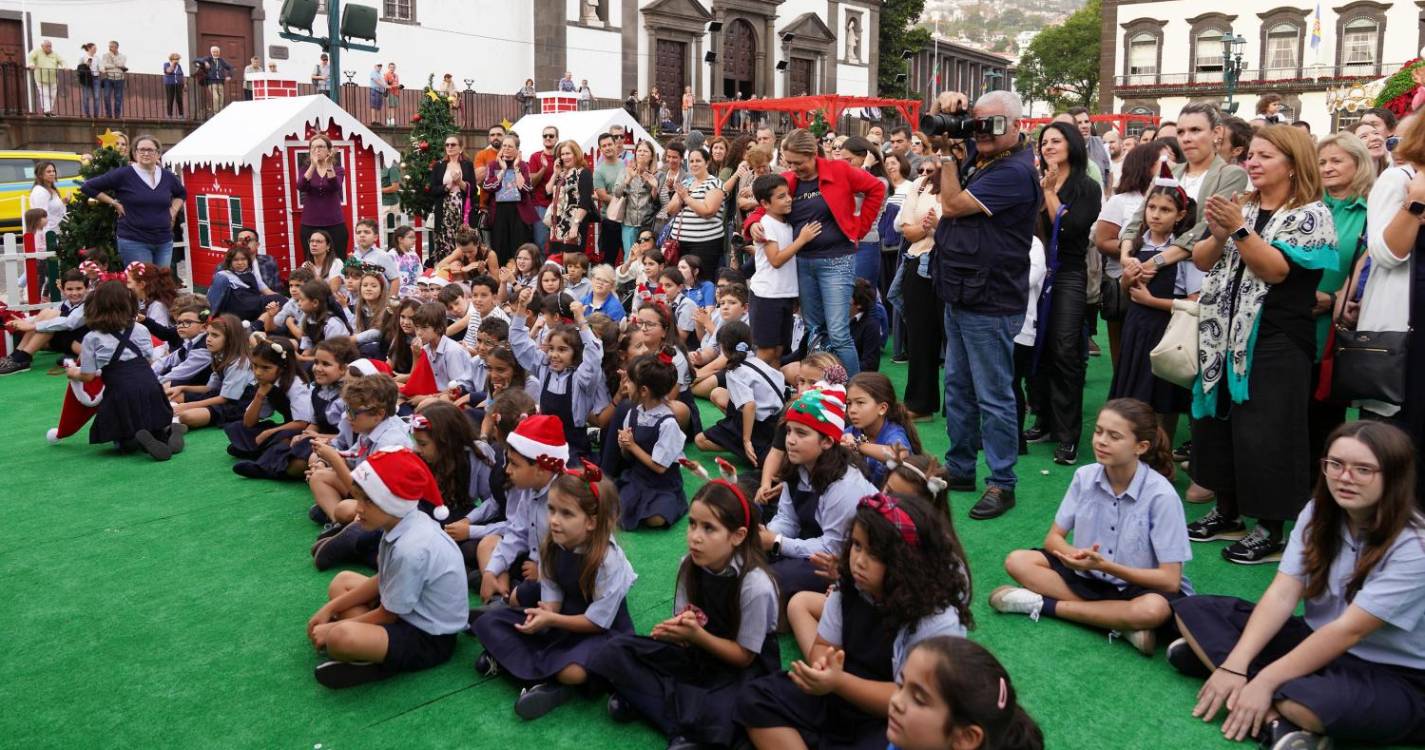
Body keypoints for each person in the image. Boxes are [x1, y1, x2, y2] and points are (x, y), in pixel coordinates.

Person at [1170, 421, 1425, 749]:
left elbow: (1349, 631)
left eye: (1363, 469)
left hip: (1395, 673)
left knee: (1311, 705)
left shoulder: (1415, 546)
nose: (1344, 478)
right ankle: (1273, 717)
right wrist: (1235, 666)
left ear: (1394, 475)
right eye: (1336, 464)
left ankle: (1264, 695)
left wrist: (1265, 679)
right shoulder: (1319, 511)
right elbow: (1282, 592)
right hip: (1315, 640)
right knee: (1194, 609)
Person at [1189, 124, 1338, 565]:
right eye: (1250, 155)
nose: (1251, 163)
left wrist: (1237, 230)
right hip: (1223, 336)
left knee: (1268, 433)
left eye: (1264, 156)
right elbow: (1202, 261)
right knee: (1219, 423)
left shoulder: (1312, 214)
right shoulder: (1243, 207)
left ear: (1293, 165)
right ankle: (1228, 510)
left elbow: (1275, 271)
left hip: (1275, 340)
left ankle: (1270, 528)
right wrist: (1219, 232)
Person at [738, 493, 972, 749]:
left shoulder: (936, 618)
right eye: (857, 546)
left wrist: (839, 682)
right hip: (836, 694)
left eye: (874, 554)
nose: (858, 561)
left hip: (889, 717)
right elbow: (822, 645)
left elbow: (907, 699)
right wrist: (823, 670)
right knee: (755, 698)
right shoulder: (850, 588)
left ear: (906, 561)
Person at [992, 399, 1191, 656]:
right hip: (1088, 575)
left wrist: (1106, 566)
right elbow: (1054, 538)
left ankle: (1045, 606)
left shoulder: (1161, 496)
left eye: (1114, 436)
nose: (1101, 441)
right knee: (1017, 561)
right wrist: (1076, 556)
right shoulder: (1084, 476)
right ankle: (1117, 621)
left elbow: (1170, 581)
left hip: (1138, 589)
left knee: (1152, 610)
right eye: (1098, 431)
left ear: (1140, 447)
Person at [590, 480, 779, 748]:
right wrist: (674, 632)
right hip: (699, 654)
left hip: (741, 671)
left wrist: (697, 636)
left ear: (737, 536)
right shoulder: (688, 565)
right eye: (692, 524)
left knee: (737, 708)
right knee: (615, 650)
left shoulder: (755, 585)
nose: (695, 536)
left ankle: (653, 708)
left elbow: (744, 657)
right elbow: (687, 623)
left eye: (709, 528)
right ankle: (686, 727)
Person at [929, 89, 1041, 521]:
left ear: (1017, 126)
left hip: (990, 297)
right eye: (978, 124)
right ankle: (960, 469)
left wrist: (946, 156)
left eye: (994, 125)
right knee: (956, 388)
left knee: (993, 395)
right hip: (960, 289)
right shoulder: (986, 154)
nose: (984, 133)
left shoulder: (1014, 170)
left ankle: (1002, 482)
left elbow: (953, 203)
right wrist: (950, 120)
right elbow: (941, 121)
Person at [474, 458, 633, 720]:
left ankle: (548, 679)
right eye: (552, 510)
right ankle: (543, 673)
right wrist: (542, 615)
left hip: (599, 630)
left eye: (566, 513)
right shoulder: (553, 543)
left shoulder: (608, 560)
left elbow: (597, 622)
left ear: (591, 522)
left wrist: (551, 619)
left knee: (574, 671)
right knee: (491, 623)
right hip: (561, 621)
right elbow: (552, 597)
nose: (555, 520)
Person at [306, 447, 466, 689]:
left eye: (368, 501)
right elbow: (383, 578)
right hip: (409, 611)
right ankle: (373, 649)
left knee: (340, 638)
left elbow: (388, 614)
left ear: (393, 501)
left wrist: (332, 628)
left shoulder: (411, 548)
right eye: (358, 498)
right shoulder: (400, 522)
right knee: (342, 581)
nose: (358, 509)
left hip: (430, 638)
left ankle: (376, 662)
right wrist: (331, 608)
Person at [745, 130, 884, 378]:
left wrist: (859, 228)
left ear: (813, 155)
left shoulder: (839, 171)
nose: (794, 168)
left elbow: (876, 189)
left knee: (839, 332)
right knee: (814, 328)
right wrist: (752, 224)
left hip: (837, 260)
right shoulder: (788, 180)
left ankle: (853, 392)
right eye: (789, 162)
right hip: (804, 261)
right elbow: (766, 205)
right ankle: (819, 387)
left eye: (798, 162)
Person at [1025, 122, 1101, 466]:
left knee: (1065, 348)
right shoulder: (1033, 181)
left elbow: (1070, 230)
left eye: (1056, 141)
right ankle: (1043, 419)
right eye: (1044, 142)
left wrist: (1051, 193)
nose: (1049, 146)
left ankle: (1068, 435)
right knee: (1034, 347)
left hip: (1068, 274)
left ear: (1072, 145)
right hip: (1035, 273)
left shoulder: (1086, 186)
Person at [759, 386, 877, 601]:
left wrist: (776, 542)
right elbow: (787, 518)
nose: (790, 440)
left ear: (827, 441)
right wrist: (764, 537)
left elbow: (832, 548)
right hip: (812, 545)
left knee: (767, 579)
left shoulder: (845, 484)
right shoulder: (799, 466)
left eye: (801, 433)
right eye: (789, 431)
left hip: (843, 562)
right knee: (747, 560)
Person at [1357, 114, 1425, 477]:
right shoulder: (1400, 179)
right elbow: (1384, 254)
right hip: (1406, 332)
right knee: (1399, 442)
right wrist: (1415, 204)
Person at [1311, 133, 1374, 464]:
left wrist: (1336, 296)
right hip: (1294, 320)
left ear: (1359, 164)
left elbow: (1372, 266)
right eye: (1322, 161)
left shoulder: (1371, 211)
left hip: (1339, 325)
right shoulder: (1307, 204)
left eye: (1336, 161)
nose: (1327, 167)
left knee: (1326, 416)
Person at [888, 637, 1045, 750]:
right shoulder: (907, 742)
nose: (895, 700)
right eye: (901, 685)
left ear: (966, 737)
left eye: (919, 699)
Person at [508, 289, 605, 464]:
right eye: (551, 349)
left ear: (574, 353)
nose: (554, 355)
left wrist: (581, 321)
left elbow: (594, 355)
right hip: (547, 441)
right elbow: (519, 342)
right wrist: (522, 307)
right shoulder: (544, 368)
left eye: (562, 350)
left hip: (574, 446)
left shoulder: (581, 378)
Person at [80, 135, 185, 268]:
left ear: (158, 153)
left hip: (163, 240)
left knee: (161, 285)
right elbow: (88, 186)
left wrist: (173, 210)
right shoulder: (124, 174)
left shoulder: (167, 176)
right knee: (142, 284)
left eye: (150, 150)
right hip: (134, 240)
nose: (145, 153)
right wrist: (113, 202)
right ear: (135, 153)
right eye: (141, 149)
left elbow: (181, 193)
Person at [613, 353, 688, 529]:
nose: (625, 385)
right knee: (618, 510)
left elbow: (660, 467)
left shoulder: (668, 423)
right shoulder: (633, 413)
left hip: (662, 484)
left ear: (644, 391)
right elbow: (628, 456)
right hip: (638, 478)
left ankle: (672, 503)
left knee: (656, 519)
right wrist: (624, 445)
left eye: (630, 382)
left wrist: (632, 445)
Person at [667, 147, 726, 271]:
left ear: (707, 162)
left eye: (698, 161)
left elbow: (708, 211)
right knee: (680, 282)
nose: (694, 164)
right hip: (678, 243)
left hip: (705, 243)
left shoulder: (715, 183)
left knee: (701, 280)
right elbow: (670, 210)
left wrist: (686, 197)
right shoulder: (686, 182)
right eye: (691, 161)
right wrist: (680, 198)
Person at [296, 135, 350, 260]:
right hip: (310, 223)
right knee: (311, 260)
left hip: (335, 223)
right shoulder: (305, 169)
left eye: (320, 146)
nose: (317, 150)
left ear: (329, 150)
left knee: (338, 259)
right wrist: (313, 166)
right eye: (313, 147)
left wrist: (329, 165)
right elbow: (301, 186)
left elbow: (335, 186)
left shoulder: (338, 169)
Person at [483, 136, 535, 263]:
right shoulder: (493, 164)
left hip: (519, 212)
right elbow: (488, 186)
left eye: (510, 146)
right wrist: (503, 170)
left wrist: (516, 168)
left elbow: (526, 188)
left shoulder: (523, 165)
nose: (506, 148)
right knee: (500, 247)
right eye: (504, 145)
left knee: (519, 246)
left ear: (517, 150)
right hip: (499, 212)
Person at [548, 140, 597, 258]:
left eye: (568, 153)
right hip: (557, 226)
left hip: (574, 223)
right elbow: (548, 190)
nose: (565, 157)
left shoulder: (583, 173)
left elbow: (584, 202)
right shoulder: (561, 173)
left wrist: (575, 225)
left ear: (576, 154)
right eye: (562, 154)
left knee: (572, 261)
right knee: (556, 261)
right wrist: (555, 173)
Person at [429, 135, 474, 260]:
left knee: (462, 239)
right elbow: (432, 190)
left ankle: (462, 267)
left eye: (453, 144)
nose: (449, 147)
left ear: (460, 147)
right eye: (447, 145)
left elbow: (473, 190)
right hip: (444, 208)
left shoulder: (467, 165)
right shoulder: (439, 165)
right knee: (444, 241)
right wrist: (448, 187)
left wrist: (459, 182)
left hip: (461, 207)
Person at [613, 140, 659, 254]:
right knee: (630, 255)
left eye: (645, 151)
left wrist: (653, 187)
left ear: (651, 156)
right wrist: (629, 179)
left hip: (648, 224)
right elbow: (617, 193)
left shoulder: (657, 174)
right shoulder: (625, 171)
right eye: (639, 151)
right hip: (629, 223)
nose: (642, 153)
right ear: (635, 154)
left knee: (647, 257)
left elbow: (658, 202)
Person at [591, 132, 626, 263]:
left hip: (628, 219)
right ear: (600, 149)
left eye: (609, 144)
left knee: (629, 255)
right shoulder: (599, 171)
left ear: (616, 145)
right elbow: (602, 195)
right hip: (610, 220)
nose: (607, 148)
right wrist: (623, 201)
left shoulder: (625, 164)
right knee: (609, 258)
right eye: (604, 146)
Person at [26, 40, 63, 117]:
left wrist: (65, 66)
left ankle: (49, 110)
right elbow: (30, 58)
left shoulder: (54, 53)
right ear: (42, 46)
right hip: (41, 78)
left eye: (50, 46)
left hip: (53, 79)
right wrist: (31, 64)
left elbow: (61, 60)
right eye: (47, 46)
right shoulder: (37, 51)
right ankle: (47, 111)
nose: (49, 48)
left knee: (52, 95)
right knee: (45, 94)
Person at [28, 161, 65, 234]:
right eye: (48, 172)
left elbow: (57, 212)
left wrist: (64, 202)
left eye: (53, 171)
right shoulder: (40, 191)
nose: (52, 173)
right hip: (46, 233)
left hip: (56, 230)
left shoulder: (52, 189)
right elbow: (41, 217)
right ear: (40, 175)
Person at [196, 46, 233, 116]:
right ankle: (216, 112)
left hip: (220, 81)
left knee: (221, 97)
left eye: (217, 52)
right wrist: (205, 62)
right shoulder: (208, 59)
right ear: (211, 52)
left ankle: (220, 111)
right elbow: (197, 60)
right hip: (211, 82)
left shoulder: (221, 60)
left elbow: (230, 67)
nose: (215, 53)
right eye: (213, 52)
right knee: (215, 97)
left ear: (219, 52)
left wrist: (229, 76)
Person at [98, 40, 127, 118]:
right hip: (108, 78)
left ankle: (117, 115)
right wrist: (116, 66)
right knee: (106, 96)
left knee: (118, 98)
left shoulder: (123, 56)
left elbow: (120, 64)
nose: (110, 48)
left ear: (116, 47)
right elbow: (104, 65)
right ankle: (109, 115)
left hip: (120, 79)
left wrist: (113, 57)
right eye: (109, 46)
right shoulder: (105, 55)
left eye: (111, 47)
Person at [160, 53, 185, 118]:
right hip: (169, 84)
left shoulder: (179, 66)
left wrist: (184, 84)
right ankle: (169, 114)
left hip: (178, 84)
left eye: (178, 59)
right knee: (170, 99)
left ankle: (181, 114)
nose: (177, 61)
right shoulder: (166, 64)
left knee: (179, 99)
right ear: (171, 59)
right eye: (176, 59)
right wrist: (173, 64)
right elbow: (168, 71)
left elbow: (181, 75)